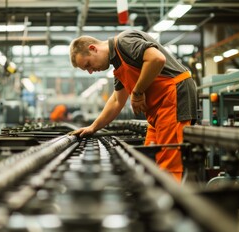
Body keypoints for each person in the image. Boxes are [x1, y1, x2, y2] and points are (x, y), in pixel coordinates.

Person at [69, 29, 197, 182]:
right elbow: (117, 101)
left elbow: (157, 59)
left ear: (93, 48)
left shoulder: (124, 42)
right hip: (158, 109)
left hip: (173, 97)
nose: (90, 71)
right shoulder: (118, 65)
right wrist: (93, 127)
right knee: (150, 158)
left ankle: (172, 201)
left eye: (88, 64)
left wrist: (137, 92)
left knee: (169, 160)